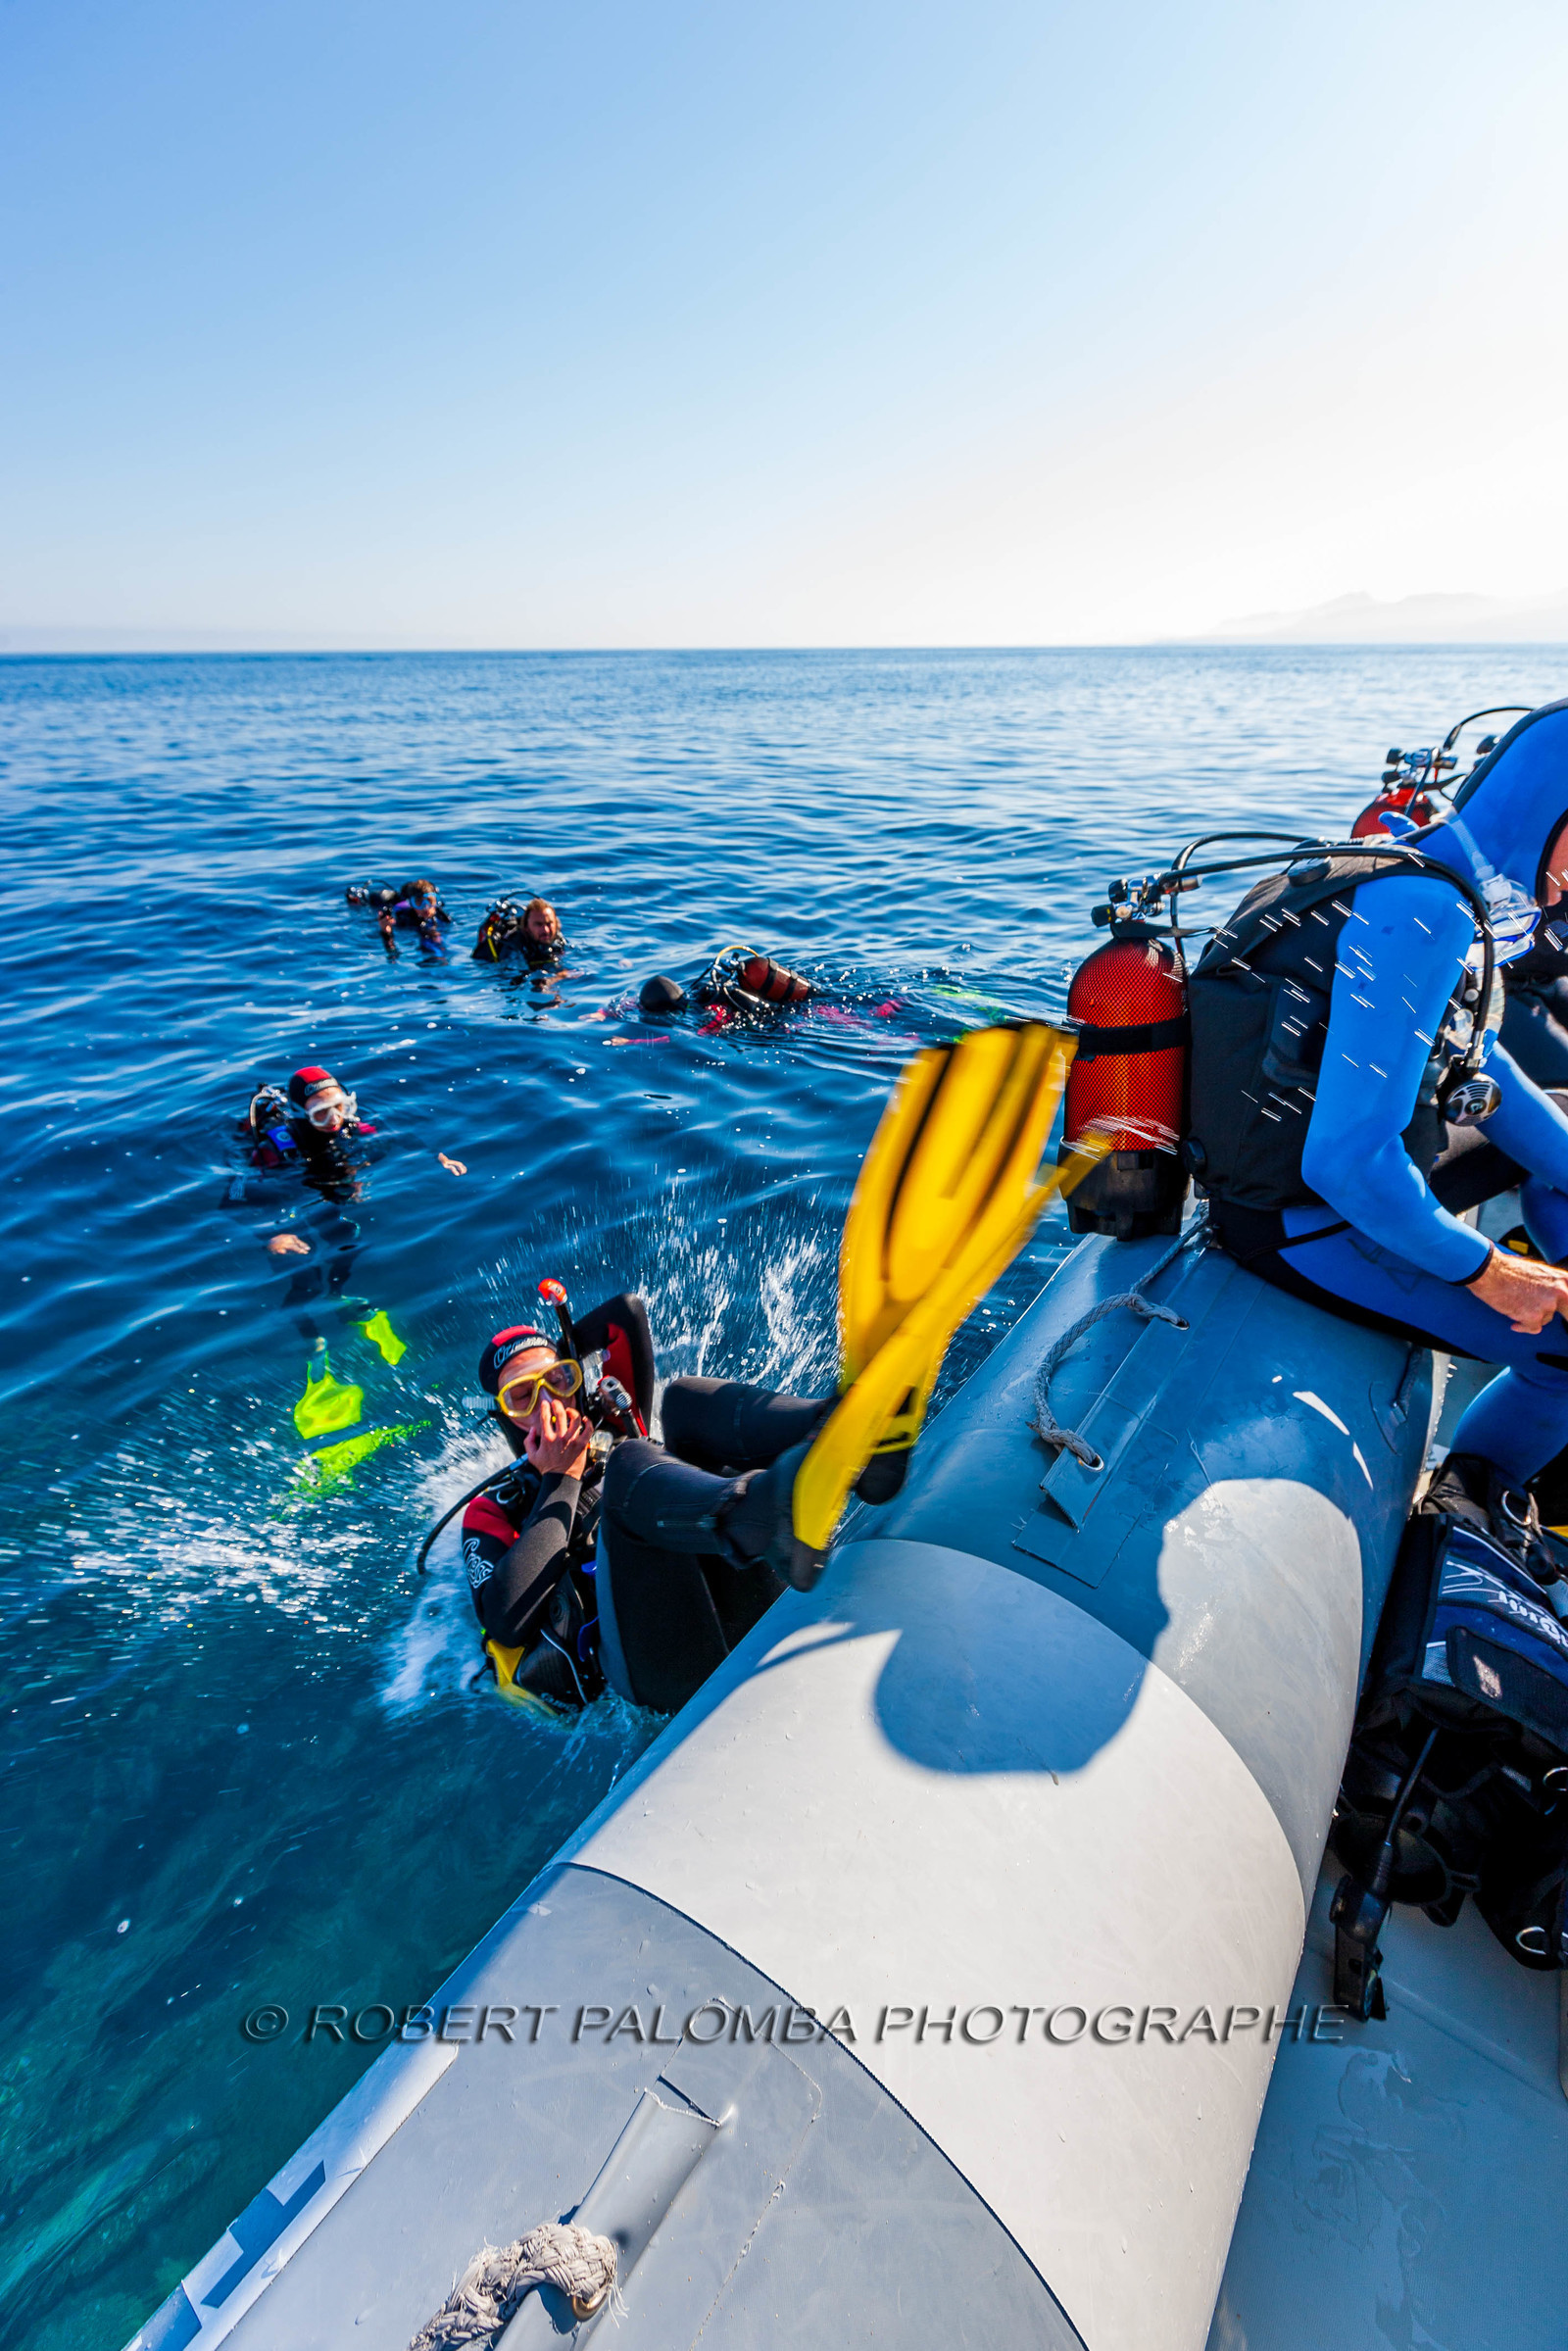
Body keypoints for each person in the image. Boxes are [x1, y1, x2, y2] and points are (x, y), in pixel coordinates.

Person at [1187, 696, 1568, 1495]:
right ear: (1547, 809)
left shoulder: (1427, 868)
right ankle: (1473, 1498)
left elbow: (1476, 1055)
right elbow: (1349, 1160)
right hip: (1300, 1218)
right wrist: (1490, 1269)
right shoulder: (1425, 912)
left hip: (1346, 1165)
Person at [463, 1294, 821, 1713]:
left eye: (558, 1381)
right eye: (522, 1397)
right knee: (631, 1461)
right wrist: (561, 1478)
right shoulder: (494, 1509)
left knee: (683, 1399)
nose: (549, 1404)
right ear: (506, 1420)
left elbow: (625, 1315)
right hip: (659, 1673)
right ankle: (766, 1520)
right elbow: (505, 1623)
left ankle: (827, 1429)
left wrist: (568, 1349)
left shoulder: (612, 1428)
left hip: (737, 1597)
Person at [638, 947, 813, 1022]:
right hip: (778, 1003)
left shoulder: (702, 1011)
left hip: (780, 1016)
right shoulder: (700, 990)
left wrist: (633, 1041)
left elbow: (675, 1040)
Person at [346, 879, 452, 956]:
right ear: (410, 903)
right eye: (419, 902)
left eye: (430, 902)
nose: (426, 908)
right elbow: (392, 953)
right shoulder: (403, 919)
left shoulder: (441, 915)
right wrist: (386, 932)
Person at [472, 896, 564, 966]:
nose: (546, 930)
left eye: (549, 923)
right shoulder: (514, 947)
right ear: (527, 928)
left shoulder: (558, 939)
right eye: (538, 924)